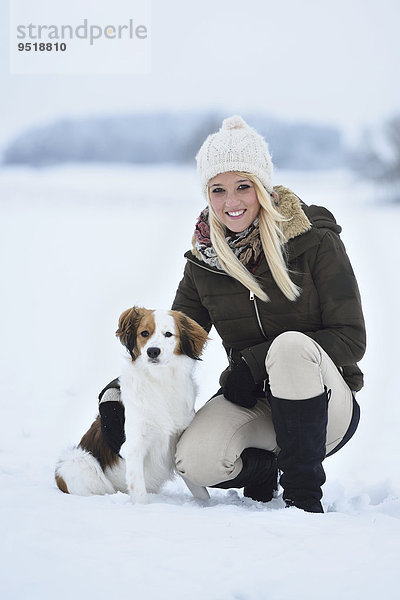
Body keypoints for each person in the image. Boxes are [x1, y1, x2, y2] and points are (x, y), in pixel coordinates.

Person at [99, 115, 366, 513]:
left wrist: (254, 363)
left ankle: (302, 493)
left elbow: (351, 338)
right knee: (194, 460)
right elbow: (172, 336)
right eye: (218, 190)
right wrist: (119, 389)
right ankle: (265, 471)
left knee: (290, 347)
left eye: (243, 186)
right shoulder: (203, 263)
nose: (231, 202)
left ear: (262, 187)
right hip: (254, 401)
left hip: (324, 404)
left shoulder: (315, 241)